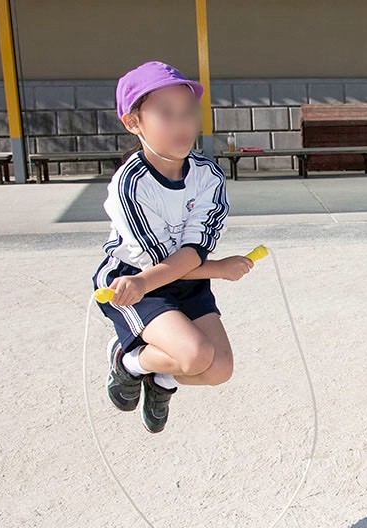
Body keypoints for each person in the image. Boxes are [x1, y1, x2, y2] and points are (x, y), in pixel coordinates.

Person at [92, 61, 253, 433]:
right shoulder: (130, 185)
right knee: (195, 354)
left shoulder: (207, 175)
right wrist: (219, 269)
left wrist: (210, 266)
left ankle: (161, 379)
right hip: (136, 282)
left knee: (219, 368)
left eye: (188, 112)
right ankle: (127, 361)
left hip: (185, 275)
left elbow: (194, 248)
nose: (182, 124)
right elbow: (159, 261)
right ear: (133, 123)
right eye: (166, 113)